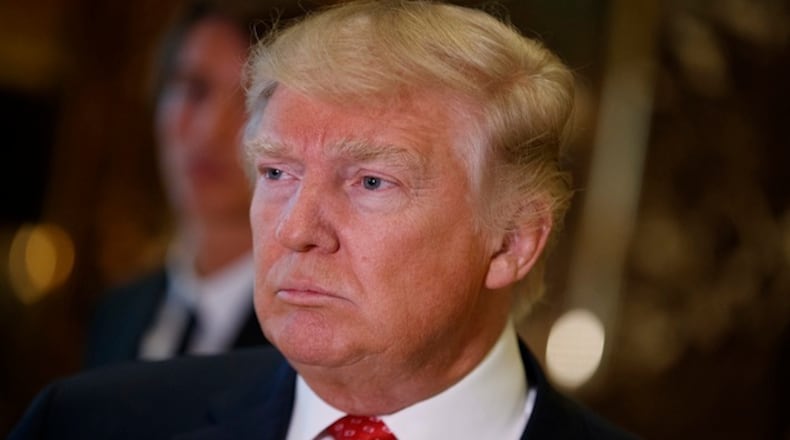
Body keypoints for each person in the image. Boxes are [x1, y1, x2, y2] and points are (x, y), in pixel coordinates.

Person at [11, 1, 637, 438]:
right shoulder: (83, 423)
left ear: (513, 241)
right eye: (278, 173)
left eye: (370, 182)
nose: (295, 229)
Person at [84, 0, 292, 366]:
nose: (210, 131)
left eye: (250, 101)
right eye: (194, 89)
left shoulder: (308, 334)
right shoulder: (117, 313)